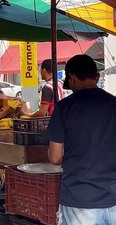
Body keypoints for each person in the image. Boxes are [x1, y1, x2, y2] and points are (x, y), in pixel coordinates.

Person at [46, 54, 116, 224]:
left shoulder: (64, 107)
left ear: (72, 78)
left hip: (80, 198)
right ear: (97, 77)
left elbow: (55, 157)